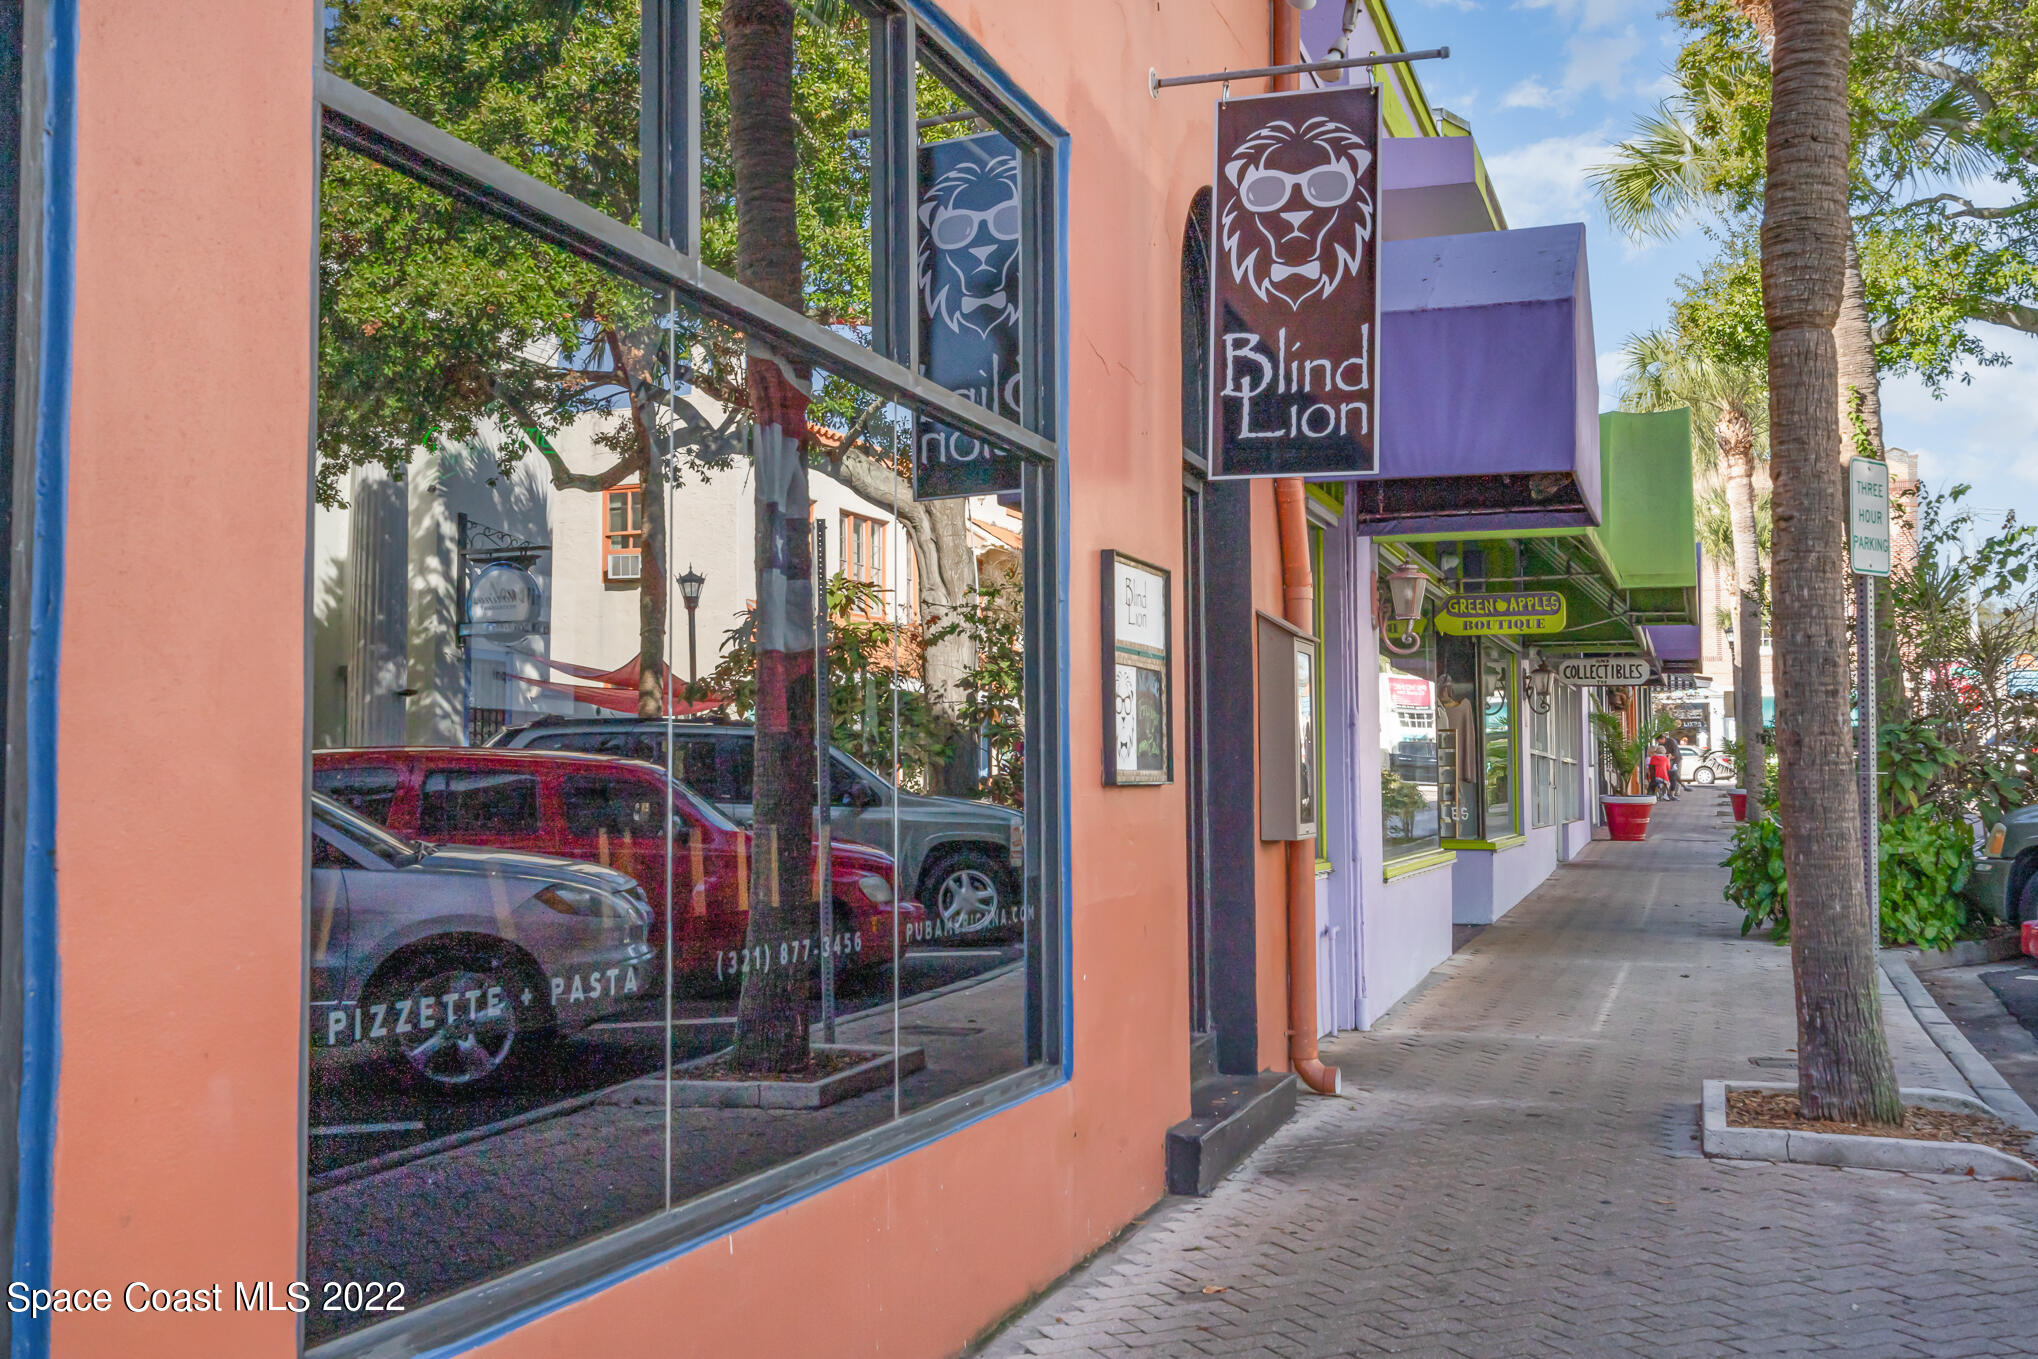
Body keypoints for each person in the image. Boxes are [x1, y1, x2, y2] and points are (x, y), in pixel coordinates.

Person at [1661, 735, 1684, 801]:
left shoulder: (1672, 741)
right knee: (1669, 776)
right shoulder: (1661, 743)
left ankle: (1676, 792)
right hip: (1668, 760)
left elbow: (1675, 754)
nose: (1658, 742)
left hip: (1676, 760)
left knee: (1676, 775)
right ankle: (1668, 793)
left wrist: (1668, 757)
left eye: (1659, 741)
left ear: (1662, 738)